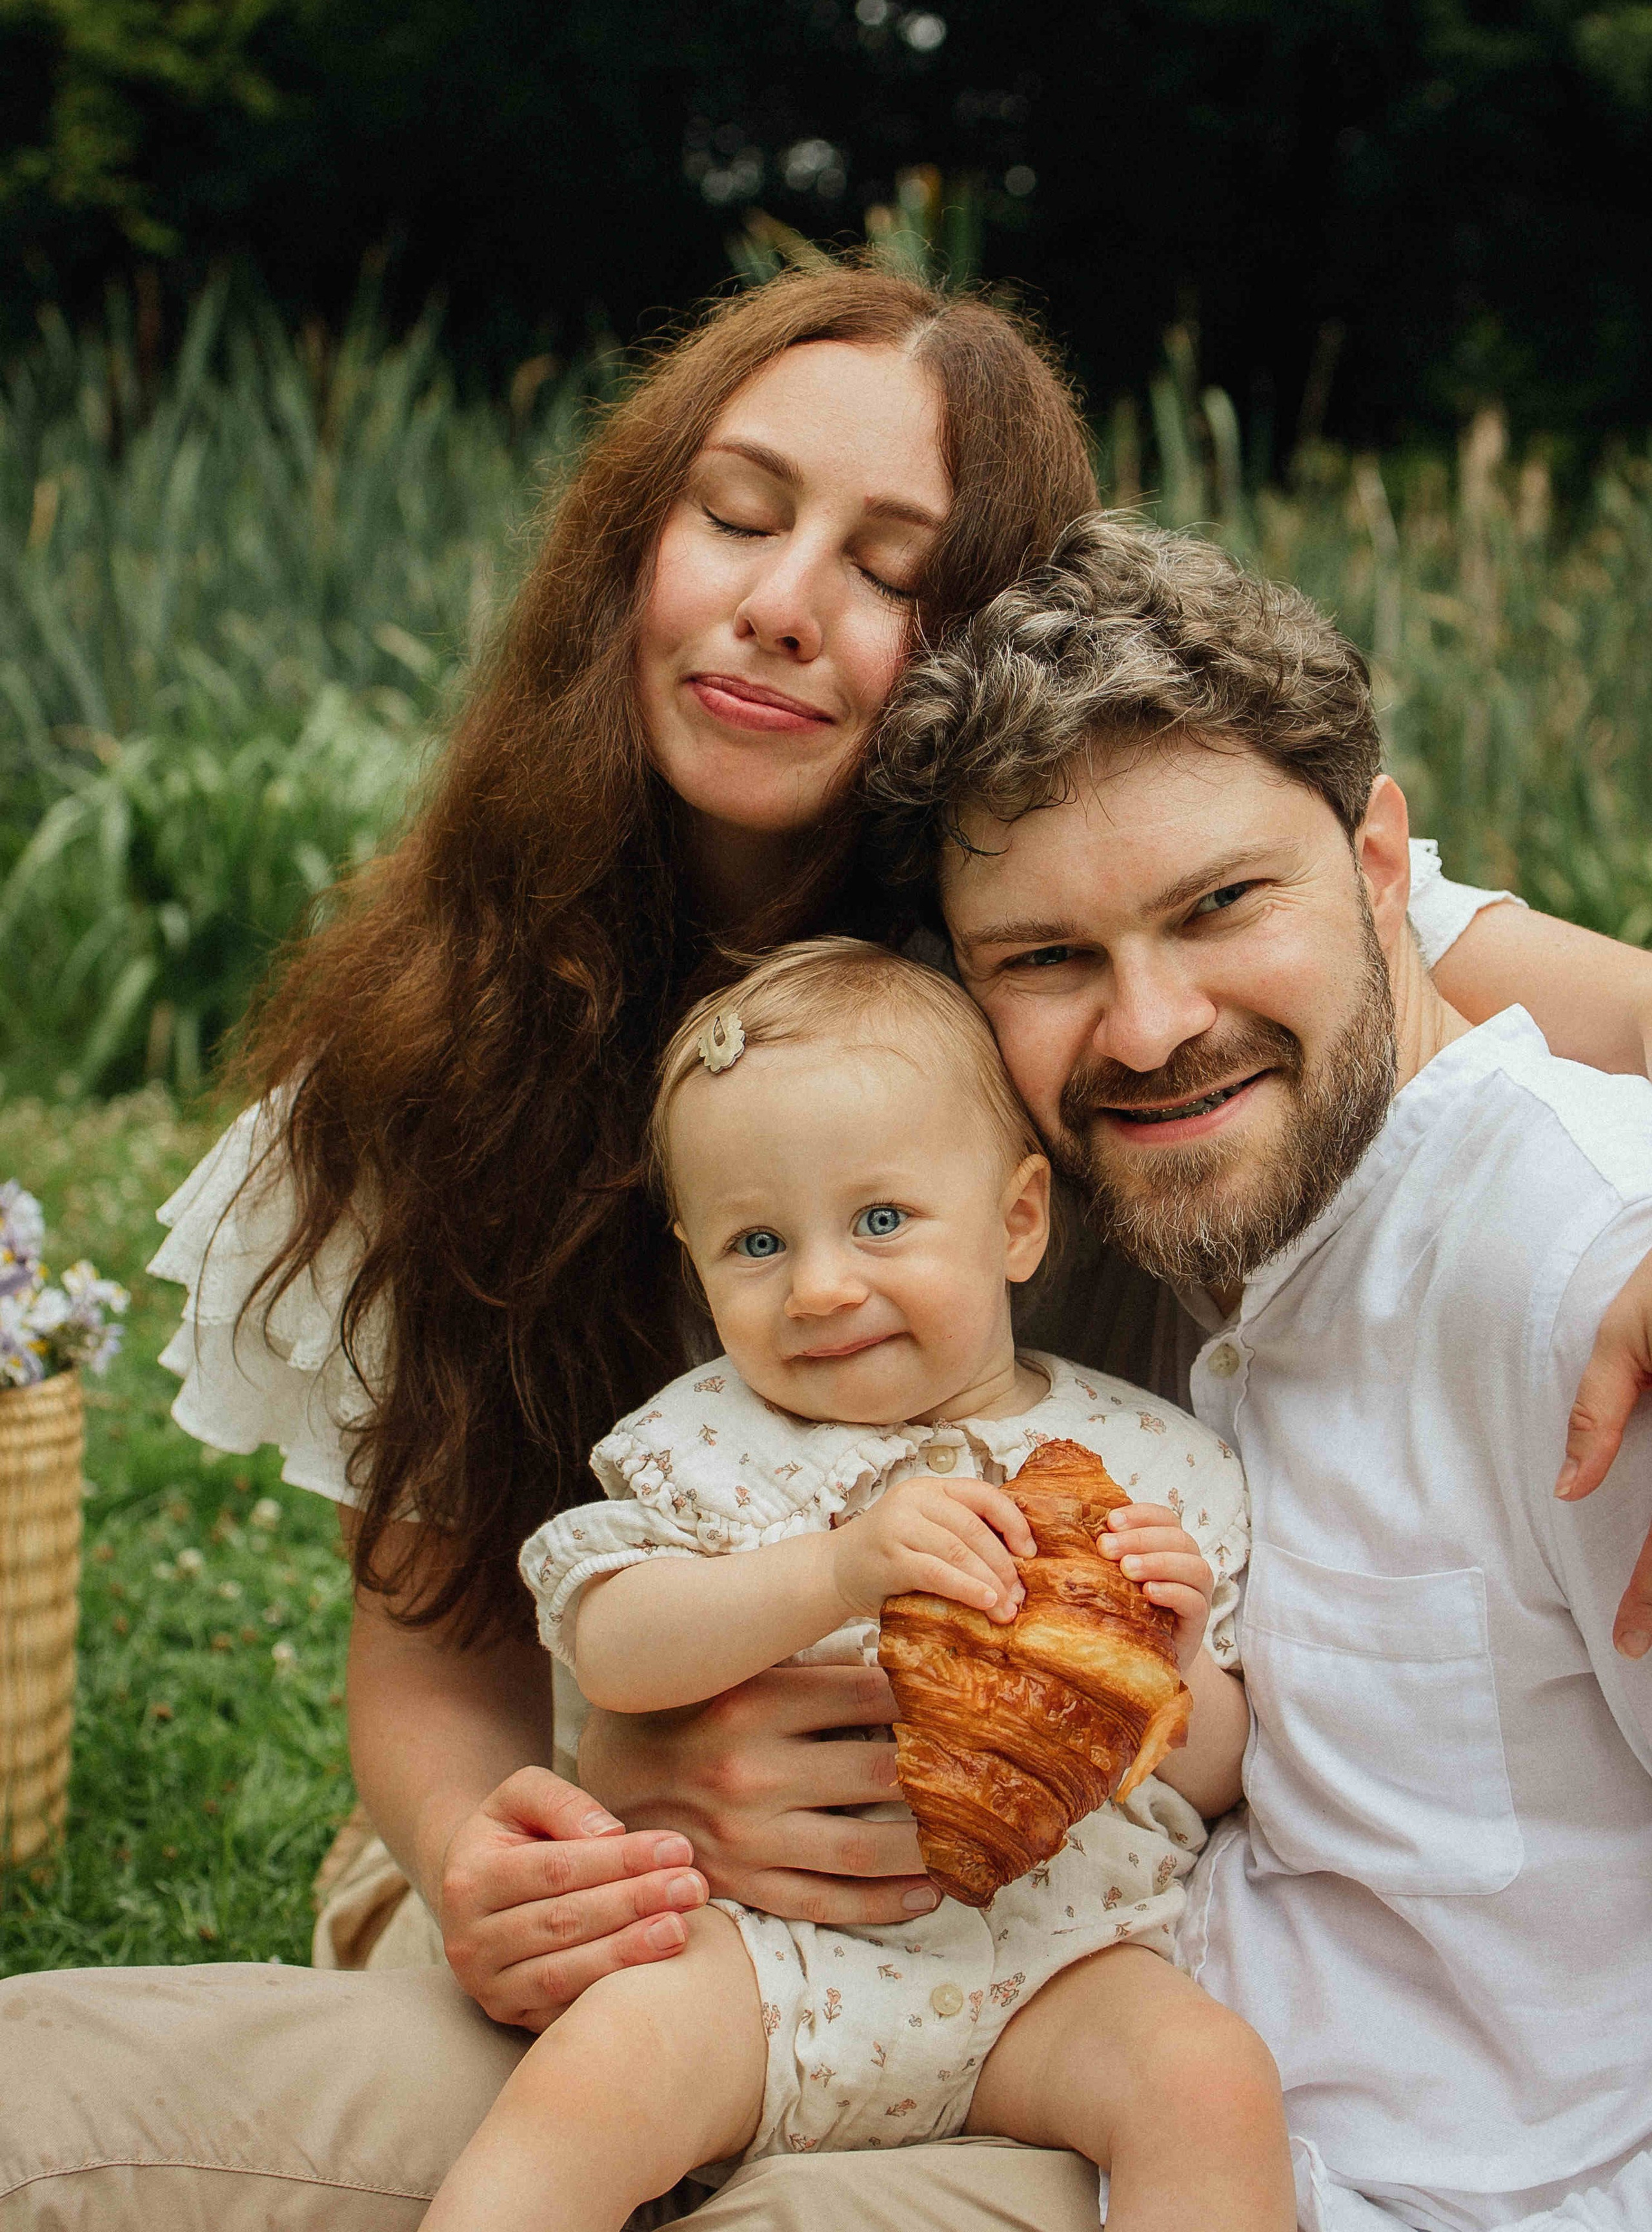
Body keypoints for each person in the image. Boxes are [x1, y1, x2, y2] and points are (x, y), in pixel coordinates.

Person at [5, 263, 1652, 2232]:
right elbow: (436, 1644)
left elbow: (1530, 1047)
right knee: (67, 2101)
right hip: (641, 1907)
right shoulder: (460, 1028)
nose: (786, 600)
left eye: (890, 565)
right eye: (740, 510)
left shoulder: (1097, 858)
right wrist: (514, 1839)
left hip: (1051, 1968)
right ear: (633, 544)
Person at [863, 514, 1652, 2230]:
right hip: (1120, 2091)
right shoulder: (1237, 1257)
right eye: (1048, 961)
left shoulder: (1588, 1274)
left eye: (1220, 907)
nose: (1146, 1028)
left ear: (1385, 868)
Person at [425, 938, 1287, 2232]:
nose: (822, 1286)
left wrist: (1174, 1663)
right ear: (694, 1262)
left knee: (1209, 2082)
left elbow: (1217, 1777)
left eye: (880, 1220)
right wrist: (831, 1569)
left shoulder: (1151, 1464)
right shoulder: (708, 1440)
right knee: (591, 2084)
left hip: (1056, 1965)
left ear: (1015, 1220)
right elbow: (610, 1644)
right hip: (765, 1965)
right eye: (757, 1243)